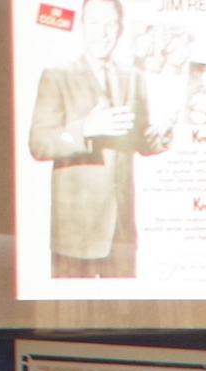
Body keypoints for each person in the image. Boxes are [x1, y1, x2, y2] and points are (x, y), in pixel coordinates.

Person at [30, 0, 164, 283]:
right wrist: (85, 128)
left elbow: (138, 140)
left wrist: (158, 139)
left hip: (122, 234)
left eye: (110, 24)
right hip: (75, 236)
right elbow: (39, 143)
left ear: (120, 29)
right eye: (94, 23)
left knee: (126, 323)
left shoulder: (134, 78)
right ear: (81, 25)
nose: (102, 33)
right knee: (71, 322)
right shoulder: (57, 76)